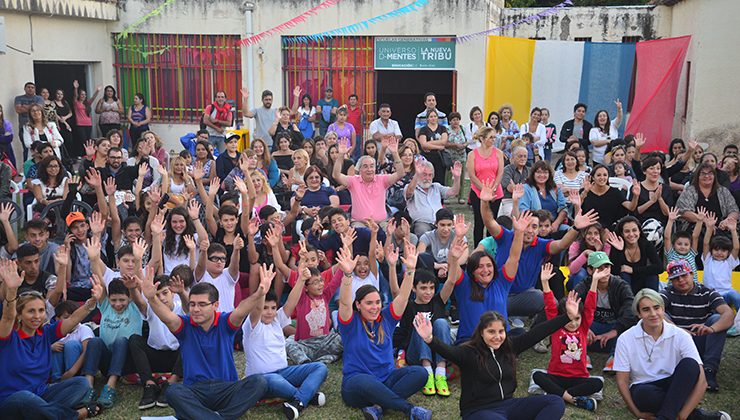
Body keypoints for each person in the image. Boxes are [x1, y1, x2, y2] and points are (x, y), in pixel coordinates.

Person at [414, 292, 582, 419]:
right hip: (478, 411)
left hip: (509, 405)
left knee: (555, 402)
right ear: (481, 332)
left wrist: (566, 317)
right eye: (491, 332)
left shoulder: (509, 346)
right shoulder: (469, 352)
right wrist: (430, 339)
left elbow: (538, 333)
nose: (497, 336)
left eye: (501, 331)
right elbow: (448, 351)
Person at [142, 262, 270, 419]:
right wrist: (151, 298)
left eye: (202, 304)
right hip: (195, 391)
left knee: (259, 382)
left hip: (226, 389)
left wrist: (259, 293)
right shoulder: (185, 326)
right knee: (173, 391)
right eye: (193, 304)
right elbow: (167, 317)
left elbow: (242, 310)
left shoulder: (225, 323)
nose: (195, 309)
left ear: (215, 305)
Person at [335, 244, 432, 420]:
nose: (375, 307)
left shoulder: (386, 318)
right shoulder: (350, 323)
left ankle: (379, 407)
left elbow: (402, 297)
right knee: (366, 381)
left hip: (387, 378)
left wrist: (410, 269)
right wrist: (348, 275)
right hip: (356, 383)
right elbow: (344, 303)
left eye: (378, 302)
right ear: (358, 305)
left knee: (420, 373)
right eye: (369, 303)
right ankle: (409, 409)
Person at [0, 259, 101, 418]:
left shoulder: (46, 333)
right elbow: (7, 318)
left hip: (41, 395)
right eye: (31, 311)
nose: (37, 316)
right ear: (19, 315)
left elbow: (72, 319)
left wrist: (92, 302)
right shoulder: (7, 336)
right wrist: (12, 291)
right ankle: (75, 414)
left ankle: (42, 413)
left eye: (41, 311)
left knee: (81, 384)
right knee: (25, 399)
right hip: (11, 401)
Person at [614, 288, 731, 420]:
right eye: (646, 310)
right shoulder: (625, 339)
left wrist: (683, 415)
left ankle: (665, 416)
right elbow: (622, 381)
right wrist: (637, 413)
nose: (653, 313)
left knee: (690, 364)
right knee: (644, 394)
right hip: (645, 389)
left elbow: (702, 381)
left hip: (676, 385)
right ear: (639, 314)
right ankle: (696, 415)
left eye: (656, 308)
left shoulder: (680, 335)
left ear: (663, 309)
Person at [242, 279, 328, 420]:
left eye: (273, 308)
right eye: (265, 308)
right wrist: (263, 289)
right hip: (262, 379)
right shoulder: (252, 325)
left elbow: (291, 302)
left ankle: (298, 400)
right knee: (274, 380)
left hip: (284, 373)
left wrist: (301, 279)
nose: (269, 312)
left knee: (320, 368)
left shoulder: (277, 320)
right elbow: (256, 309)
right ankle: (305, 396)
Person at [444, 211, 530, 343]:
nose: (485, 270)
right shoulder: (464, 284)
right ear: (472, 271)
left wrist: (519, 233)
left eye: (489, 266)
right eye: (480, 266)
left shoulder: (502, 282)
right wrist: (458, 237)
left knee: (520, 334)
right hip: (470, 342)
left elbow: (514, 257)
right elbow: (452, 264)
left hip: (499, 340)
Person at [533, 262, 603, 412]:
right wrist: (545, 282)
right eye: (568, 318)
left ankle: (560, 395)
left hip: (578, 378)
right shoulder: (556, 327)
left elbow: (590, 307)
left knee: (597, 383)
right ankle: (574, 400)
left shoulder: (583, 328)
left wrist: (595, 281)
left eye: (577, 318)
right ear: (561, 318)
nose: (573, 323)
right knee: (538, 376)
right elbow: (550, 306)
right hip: (556, 376)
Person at [573, 251, 636, 372]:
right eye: (599, 268)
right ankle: (582, 355)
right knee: (571, 323)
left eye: (606, 267)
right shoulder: (584, 285)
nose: (604, 271)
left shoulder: (620, 285)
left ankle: (614, 358)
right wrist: (583, 327)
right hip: (591, 326)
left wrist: (615, 330)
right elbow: (572, 306)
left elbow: (630, 309)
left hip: (614, 326)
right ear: (590, 271)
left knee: (633, 324)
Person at [332, 140, 405, 224]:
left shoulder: (382, 180)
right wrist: (341, 155)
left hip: (381, 222)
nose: (369, 169)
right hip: (359, 223)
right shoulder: (353, 181)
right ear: (360, 170)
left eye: (371, 166)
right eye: (365, 166)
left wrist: (395, 153)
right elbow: (336, 175)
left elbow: (400, 173)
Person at [702, 214, 740, 334]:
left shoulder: (729, 262)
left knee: (736, 296)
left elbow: (736, 247)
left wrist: (733, 230)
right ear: (712, 250)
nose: (719, 253)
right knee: (714, 316)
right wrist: (709, 228)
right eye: (716, 249)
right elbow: (705, 244)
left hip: (727, 292)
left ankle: (737, 325)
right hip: (711, 294)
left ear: (728, 253)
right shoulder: (707, 260)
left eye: (723, 250)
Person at [467, 127, 504, 245]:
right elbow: (472, 175)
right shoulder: (472, 154)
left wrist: (492, 189)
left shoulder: (498, 153)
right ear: (482, 139)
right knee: (479, 223)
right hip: (478, 193)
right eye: (490, 137)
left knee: (492, 223)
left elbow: (500, 173)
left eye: (494, 137)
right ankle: (478, 249)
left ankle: (491, 249)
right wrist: (484, 190)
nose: (493, 140)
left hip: (495, 193)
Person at [405, 160, 462, 236]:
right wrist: (416, 175)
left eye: (430, 175)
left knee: (458, 231)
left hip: (440, 222)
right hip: (422, 223)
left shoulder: (436, 187)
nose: (427, 178)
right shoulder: (411, 187)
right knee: (422, 231)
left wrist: (457, 178)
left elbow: (454, 192)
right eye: (424, 174)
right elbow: (409, 193)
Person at [607, 216, 662, 293]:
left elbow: (659, 267)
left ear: (639, 231)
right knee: (624, 274)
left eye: (634, 230)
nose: (631, 234)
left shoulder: (646, 244)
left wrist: (633, 270)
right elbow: (614, 272)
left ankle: (652, 301)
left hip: (643, 282)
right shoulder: (617, 246)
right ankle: (628, 303)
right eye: (627, 231)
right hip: (625, 286)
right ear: (622, 234)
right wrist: (619, 250)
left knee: (652, 276)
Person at [677, 163, 739, 229]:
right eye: (703, 174)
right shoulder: (689, 191)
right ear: (698, 176)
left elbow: (734, 210)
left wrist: (727, 221)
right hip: (696, 228)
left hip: (720, 229)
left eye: (710, 173)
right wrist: (704, 221)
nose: (707, 176)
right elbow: (683, 211)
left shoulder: (723, 191)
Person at [513, 160, 568, 232]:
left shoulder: (555, 188)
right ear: (533, 174)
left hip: (554, 225)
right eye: (538, 172)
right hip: (534, 226)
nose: (542, 175)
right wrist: (541, 226)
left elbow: (563, 208)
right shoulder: (526, 188)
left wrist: (556, 224)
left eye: (545, 172)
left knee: (571, 231)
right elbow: (524, 211)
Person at [581, 164, 639, 230]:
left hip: (610, 228)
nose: (602, 177)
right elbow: (577, 207)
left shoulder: (615, 192)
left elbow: (631, 207)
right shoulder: (585, 191)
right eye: (598, 175)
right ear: (593, 177)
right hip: (589, 227)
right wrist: (585, 192)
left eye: (605, 175)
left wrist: (635, 196)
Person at [664, 206, 703, 283]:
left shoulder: (691, 253)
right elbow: (667, 237)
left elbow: (695, 236)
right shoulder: (671, 254)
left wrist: (700, 221)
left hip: (692, 287)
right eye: (679, 244)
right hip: (674, 287)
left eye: (686, 244)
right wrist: (670, 220)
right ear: (673, 245)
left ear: (690, 245)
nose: (683, 246)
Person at [14, 82, 44, 160]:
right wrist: (33, 106)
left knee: (41, 148)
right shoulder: (18, 98)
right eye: (28, 87)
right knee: (27, 149)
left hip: (38, 127)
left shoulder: (39, 98)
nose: (30, 89)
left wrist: (24, 106)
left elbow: (40, 108)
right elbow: (18, 110)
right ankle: (27, 168)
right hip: (23, 127)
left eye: (32, 87)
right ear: (25, 89)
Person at [588, 100, 623, 164]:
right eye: (600, 116)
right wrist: (608, 141)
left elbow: (619, 118)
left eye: (604, 116)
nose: (602, 118)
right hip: (598, 160)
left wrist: (619, 109)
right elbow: (594, 143)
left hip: (613, 159)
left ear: (607, 118)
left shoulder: (613, 125)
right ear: (597, 119)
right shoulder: (593, 130)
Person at [499, 146, 530, 217]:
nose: (523, 159)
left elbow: (533, 187)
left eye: (525, 156)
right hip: (509, 200)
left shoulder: (529, 170)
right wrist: (526, 189)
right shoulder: (507, 170)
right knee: (513, 216)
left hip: (526, 200)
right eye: (520, 156)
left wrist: (516, 188)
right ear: (513, 157)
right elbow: (509, 188)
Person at [52, 89, 74, 156]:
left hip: (67, 123)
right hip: (59, 124)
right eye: (58, 94)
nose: (59, 95)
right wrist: (64, 122)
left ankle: (70, 156)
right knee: (61, 141)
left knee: (70, 140)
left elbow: (70, 113)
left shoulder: (65, 102)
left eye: (61, 94)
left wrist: (65, 118)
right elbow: (55, 114)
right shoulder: (53, 103)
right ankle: (63, 157)